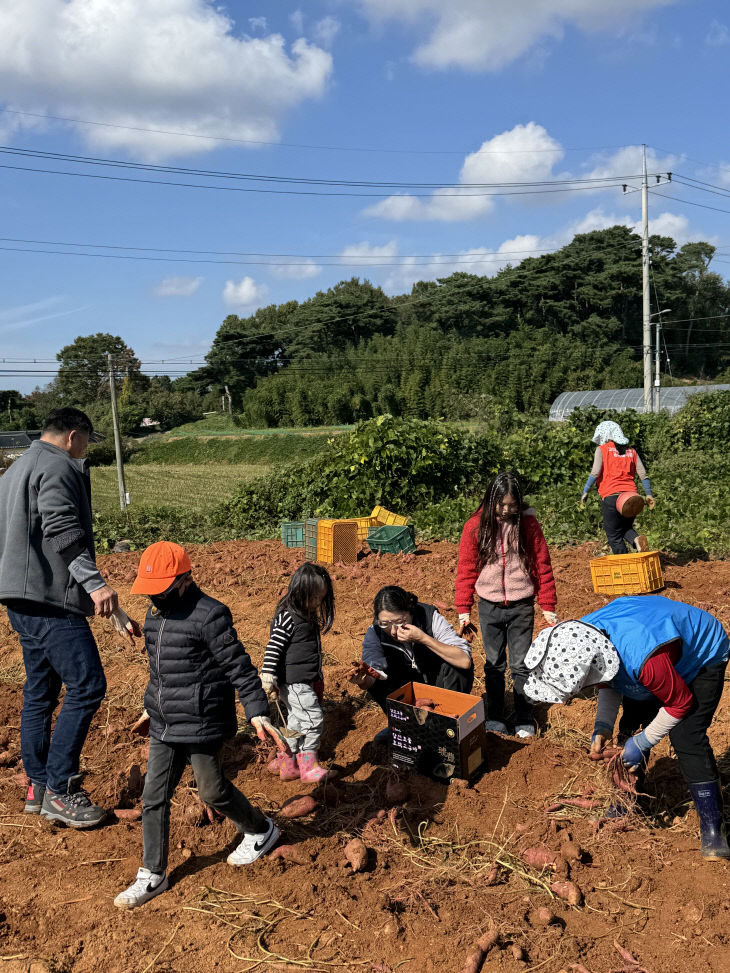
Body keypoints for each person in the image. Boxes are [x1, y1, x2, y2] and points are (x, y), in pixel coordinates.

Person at [114, 541, 287, 910]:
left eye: (160, 589)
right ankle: (153, 874)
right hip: (164, 722)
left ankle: (260, 829)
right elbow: (160, 672)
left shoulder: (210, 615)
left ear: (184, 579)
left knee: (212, 791)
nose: (154, 598)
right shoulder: (153, 616)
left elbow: (239, 666)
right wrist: (150, 707)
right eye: (150, 590)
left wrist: (257, 710)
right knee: (153, 797)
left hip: (201, 720)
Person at [0, 407, 139, 827]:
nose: (83, 453)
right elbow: (62, 528)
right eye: (84, 444)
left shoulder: (14, 469)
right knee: (88, 684)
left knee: (40, 691)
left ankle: (38, 785)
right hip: (49, 600)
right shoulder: (57, 466)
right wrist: (95, 585)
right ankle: (60, 790)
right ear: (73, 435)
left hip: (19, 598)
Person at [523, 595, 730, 860]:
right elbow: (608, 680)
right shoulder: (580, 637)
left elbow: (680, 703)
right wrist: (603, 727)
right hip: (647, 650)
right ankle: (624, 803)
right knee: (631, 724)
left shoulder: (643, 660)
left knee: (686, 736)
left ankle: (714, 826)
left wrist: (643, 743)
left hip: (701, 655)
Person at [455, 472, 557, 738]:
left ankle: (524, 716)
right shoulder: (475, 526)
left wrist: (547, 605)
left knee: (521, 664)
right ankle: (496, 716)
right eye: (501, 505)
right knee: (494, 664)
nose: (507, 510)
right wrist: (463, 609)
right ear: (491, 499)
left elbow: (542, 565)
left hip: (522, 605)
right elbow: (466, 568)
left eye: (512, 505)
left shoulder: (528, 525)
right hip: (488, 606)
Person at [351, 586, 473, 745]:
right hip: (408, 697)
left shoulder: (428, 617)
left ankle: (447, 725)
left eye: (400, 622)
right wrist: (362, 680)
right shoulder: (375, 633)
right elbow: (375, 680)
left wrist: (423, 638)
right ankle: (403, 725)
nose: (394, 630)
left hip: (439, 687)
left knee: (456, 665)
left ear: (411, 612)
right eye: (385, 623)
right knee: (376, 677)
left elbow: (464, 660)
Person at [260, 563, 335, 783]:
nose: (317, 603)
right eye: (313, 598)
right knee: (312, 720)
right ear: (299, 591)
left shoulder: (306, 613)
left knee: (295, 723)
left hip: (301, 681)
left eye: (321, 598)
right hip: (296, 683)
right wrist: (268, 674)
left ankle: (288, 766)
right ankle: (309, 767)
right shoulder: (288, 616)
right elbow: (274, 647)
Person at [580, 420, 655, 554]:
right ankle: (636, 540)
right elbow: (643, 474)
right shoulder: (632, 451)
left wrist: (585, 491)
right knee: (625, 527)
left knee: (614, 535)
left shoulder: (602, 449)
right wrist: (648, 494)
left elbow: (595, 472)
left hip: (612, 497)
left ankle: (625, 565)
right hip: (632, 498)